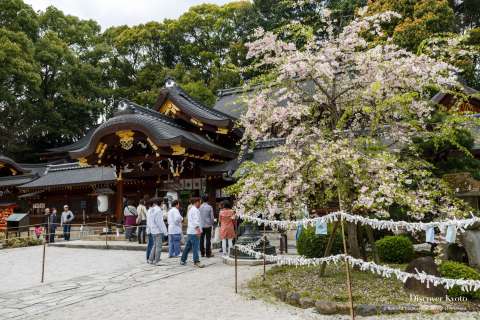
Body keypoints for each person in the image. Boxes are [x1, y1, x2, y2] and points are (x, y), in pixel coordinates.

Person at [180, 197, 204, 268]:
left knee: (188, 247)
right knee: (195, 247)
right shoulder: (195, 210)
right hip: (194, 231)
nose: (200, 203)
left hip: (190, 231)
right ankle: (196, 261)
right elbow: (196, 221)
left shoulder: (191, 210)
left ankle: (183, 260)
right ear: (196, 202)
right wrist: (198, 231)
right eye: (200, 202)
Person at [146, 198, 168, 265]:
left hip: (152, 230)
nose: (163, 204)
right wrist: (165, 231)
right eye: (162, 203)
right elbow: (160, 222)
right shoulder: (158, 210)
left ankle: (150, 259)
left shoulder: (151, 209)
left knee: (154, 245)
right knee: (158, 246)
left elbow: (149, 220)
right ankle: (157, 260)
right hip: (157, 230)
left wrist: (149, 229)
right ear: (160, 203)